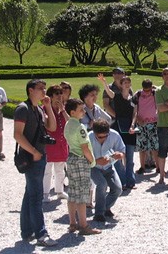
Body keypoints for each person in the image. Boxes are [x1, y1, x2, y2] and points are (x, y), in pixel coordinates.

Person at [13, 79, 58, 246]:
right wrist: (34, 152)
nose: (44, 91)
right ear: (31, 90)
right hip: (31, 157)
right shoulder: (22, 109)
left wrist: (48, 107)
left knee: (30, 193)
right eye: (41, 89)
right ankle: (41, 234)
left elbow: (52, 127)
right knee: (36, 195)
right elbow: (17, 135)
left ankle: (26, 231)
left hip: (39, 155)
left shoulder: (38, 108)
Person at [63, 98, 101, 235]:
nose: (84, 112)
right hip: (80, 160)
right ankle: (84, 225)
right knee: (82, 194)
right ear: (72, 112)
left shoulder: (68, 124)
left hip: (71, 158)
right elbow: (85, 148)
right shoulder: (80, 127)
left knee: (72, 192)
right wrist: (92, 161)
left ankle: (72, 223)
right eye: (81, 110)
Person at [98, 73, 137, 190]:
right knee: (117, 157)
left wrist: (133, 125)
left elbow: (135, 113)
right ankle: (122, 181)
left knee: (129, 158)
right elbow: (109, 92)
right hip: (118, 128)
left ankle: (131, 181)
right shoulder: (117, 96)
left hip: (130, 129)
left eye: (128, 83)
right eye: (124, 83)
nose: (127, 84)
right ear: (121, 85)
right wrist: (104, 82)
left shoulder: (134, 99)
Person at [88, 119, 124, 223]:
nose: (103, 138)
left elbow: (122, 150)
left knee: (117, 189)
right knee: (102, 184)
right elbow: (83, 157)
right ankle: (99, 214)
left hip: (109, 167)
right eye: (100, 137)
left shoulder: (114, 135)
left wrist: (119, 155)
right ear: (94, 133)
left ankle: (105, 207)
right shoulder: (88, 137)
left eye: (106, 136)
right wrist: (96, 161)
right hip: (93, 167)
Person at [43, 85, 70, 202]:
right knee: (47, 170)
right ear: (51, 96)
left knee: (60, 169)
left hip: (61, 143)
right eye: (57, 94)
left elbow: (71, 122)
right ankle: (45, 193)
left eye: (61, 93)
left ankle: (59, 191)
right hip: (49, 143)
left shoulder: (64, 108)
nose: (60, 96)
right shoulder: (44, 108)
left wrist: (63, 110)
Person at [154, 67, 168, 184]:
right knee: (162, 150)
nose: (167, 75)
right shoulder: (158, 90)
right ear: (162, 76)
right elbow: (160, 108)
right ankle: (162, 175)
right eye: (165, 73)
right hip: (163, 125)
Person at [131, 79, 159, 175]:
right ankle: (142, 167)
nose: (147, 92)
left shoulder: (155, 93)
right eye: (145, 90)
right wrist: (137, 119)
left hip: (153, 123)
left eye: (148, 90)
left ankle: (158, 167)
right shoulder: (138, 94)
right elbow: (134, 108)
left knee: (155, 146)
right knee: (141, 147)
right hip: (141, 123)